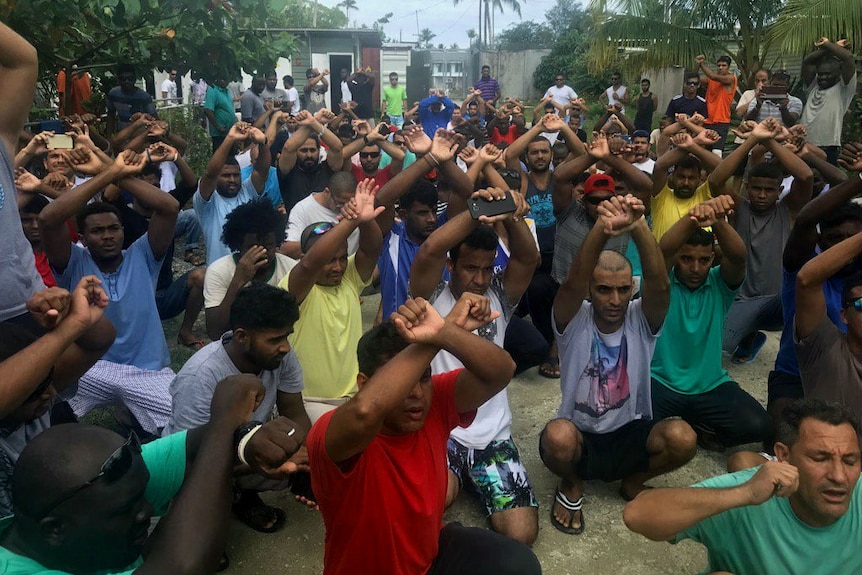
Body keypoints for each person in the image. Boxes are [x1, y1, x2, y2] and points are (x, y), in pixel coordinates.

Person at [307, 294, 541, 575]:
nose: (417, 393)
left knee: (519, 565)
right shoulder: (336, 433)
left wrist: (445, 331)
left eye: (425, 377)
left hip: (428, 559)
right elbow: (366, 411)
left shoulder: (437, 403)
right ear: (364, 383)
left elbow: (501, 371)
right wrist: (430, 342)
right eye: (406, 382)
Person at [0, 372, 305, 575]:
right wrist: (227, 419)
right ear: (55, 530)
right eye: (127, 508)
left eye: (140, 497)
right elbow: (185, 565)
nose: (146, 511)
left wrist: (247, 440)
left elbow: (196, 446)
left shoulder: (103, 485)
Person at [542, 193, 695, 535]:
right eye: (604, 290)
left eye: (623, 290)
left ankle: (633, 482)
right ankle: (571, 483)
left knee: (683, 438)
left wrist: (638, 224)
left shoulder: (642, 318)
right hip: (581, 432)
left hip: (631, 431)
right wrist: (602, 227)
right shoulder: (573, 319)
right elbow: (571, 282)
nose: (614, 300)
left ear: (632, 289)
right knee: (556, 437)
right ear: (589, 291)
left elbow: (660, 283)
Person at [409, 189, 541, 545]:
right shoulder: (429, 298)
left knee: (522, 533)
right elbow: (430, 250)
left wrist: (509, 213)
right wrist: (477, 211)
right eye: (470, 268)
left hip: (493, 436)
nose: (480, 280)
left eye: (487, 268)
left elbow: (528, 259)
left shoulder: (500, 294)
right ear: (452, 265)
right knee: (434, 502)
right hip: (442, 431)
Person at [624, 398, 862, 575]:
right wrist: (743, 494)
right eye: (820, 459)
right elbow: (637, 515)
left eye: (850, 461)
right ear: (784, 456)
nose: (840, 476)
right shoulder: (751, 492)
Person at [38, 150, 178, 435]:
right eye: (97, 231)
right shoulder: (72, 261)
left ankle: (131, 418)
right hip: (90, 368)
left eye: (114, 228)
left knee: (184, 422)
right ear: (83, 238)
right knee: (41, 413)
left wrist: (112, 170)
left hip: (147, 369)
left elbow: (169, 207)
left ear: (123, 231)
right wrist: (108, 174)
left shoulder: (143, 255)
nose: (107, 236)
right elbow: (49, 219)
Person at [166, 283, 310, 534]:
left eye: (287, 335)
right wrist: (273, 457)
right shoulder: (201, 376)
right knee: (202, 550)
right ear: (242, 336)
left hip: (246, 448)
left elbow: (295, 413)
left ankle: (241, 494)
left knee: (318, 451)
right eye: (275, 339)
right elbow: (195, 459)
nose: (285, 346)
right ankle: (205, 511)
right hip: (196, 462)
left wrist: (305, 454)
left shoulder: (280, 356)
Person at [651, 196, 771, 450]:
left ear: (712, 260)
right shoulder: (663, 284)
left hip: (709, 385)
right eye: (687, 259)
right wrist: (693, 217)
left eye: (703, 260)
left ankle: (701, 426)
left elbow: (738, 257)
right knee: (631, 425)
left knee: (759, 425)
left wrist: (717, 221)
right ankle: (693, 424)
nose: (695, 267)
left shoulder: (719, 284)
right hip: (660, 382)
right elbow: (664, 249)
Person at [280, 179, 383, 422]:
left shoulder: (349, 279)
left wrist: (365, 221)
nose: (337, 267)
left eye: (342, 258)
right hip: (308, 403)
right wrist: (350, 221)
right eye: (329, 260)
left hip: (355, 397)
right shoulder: (296, 286)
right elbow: (309, 265)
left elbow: (371, 250)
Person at [717, 119, 813, 362]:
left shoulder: (787, 210)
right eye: (756, 188)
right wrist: (752, 139)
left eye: (768, 190)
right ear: (747, 188)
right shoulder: (740, 208)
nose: (761, 195)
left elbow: (806, 176)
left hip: (775, 300)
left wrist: (769, 140)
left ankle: (752, 332)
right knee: (722, 348)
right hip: (741, 296)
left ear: (779, 191)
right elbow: (716, 181)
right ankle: (750, 338)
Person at [204, 198, 297, 340]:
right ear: (238, 245)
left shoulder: (290, 268)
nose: (262, 252)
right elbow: (215, 331)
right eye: (253, 247)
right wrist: (238, 281)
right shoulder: (219, 270)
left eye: (269, 245)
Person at [795, 230, 862, 423]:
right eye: (861, 304)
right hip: (831, 450)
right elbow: (806, 280)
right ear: (844, 316)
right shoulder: (824, 346)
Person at [194, 122, 270, 265]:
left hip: (252, 269)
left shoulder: (247, 190)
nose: (232, 180)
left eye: (236, 175)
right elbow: (210, 174)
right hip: (219, 273)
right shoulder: (207, 202)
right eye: (226, 175)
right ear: (218, 177)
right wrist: (230, 138)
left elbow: (262, 171)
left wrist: (263, 143)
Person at [649, 130, 722, 240]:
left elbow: (722, 168)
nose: (686, 183)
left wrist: (692, 145)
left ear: (699, 178)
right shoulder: (661, 197)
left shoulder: (705, 195)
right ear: (672, 176)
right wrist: (695, 141)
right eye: (681, 177)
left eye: (692, 178)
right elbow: (659, 166)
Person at [799, 38, 857, 164]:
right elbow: (807, 61)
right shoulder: (812, 87)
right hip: (804, 144)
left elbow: (848, 58)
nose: (823, 77)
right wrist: (828, 48)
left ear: (838, 74)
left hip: (828, 147)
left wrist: (827, 44)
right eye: (820, 74)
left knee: (827, 182)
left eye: (828, 74)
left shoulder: (844, 89)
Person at [276, 109, 344, 215]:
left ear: (319, 150)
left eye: (312, 150)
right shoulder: (288, 171)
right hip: (297, 228)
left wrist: (313, 122)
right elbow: (288, 147)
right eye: (303, 150)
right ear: (296, 151)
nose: (309, 155)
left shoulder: (327, 169)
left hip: (325, 227)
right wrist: (315, 120)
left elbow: (337, 147)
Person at [282, 172, 359, 259]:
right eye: (340, 203)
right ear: (327, 192)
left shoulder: (357, 207)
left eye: (349, 202)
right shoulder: (303, 209)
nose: (345, 207)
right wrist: (321, 241)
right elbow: (287, 250)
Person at [696, 55, 737, 152]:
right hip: (707, 121)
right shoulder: (710, 80)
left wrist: (702, 63)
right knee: (704, 152)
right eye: (719, 65)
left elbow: (712, 76)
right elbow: (695, 78)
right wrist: (697, 64)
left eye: (724, 65)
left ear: (728, 67)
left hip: (721, 122)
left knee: (716, 152)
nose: (721, 68)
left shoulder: (731, 78)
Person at [105, 65, 156, 135]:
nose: (127, 81)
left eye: (130, 78)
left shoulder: (144, 97)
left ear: (135, 79)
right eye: (123, 79)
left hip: (140, 135)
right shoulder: (113, 94)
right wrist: (109, 136)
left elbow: (154, 118)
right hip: (122, 135)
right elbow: (111, 115)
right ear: (118, 80)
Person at [204, 75, 237, 151]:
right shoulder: (212, 90)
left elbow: (230, 110)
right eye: (222, 79)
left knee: (232, 158)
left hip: (231, 132)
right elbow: (208, 110)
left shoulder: (227, 91)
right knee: (220, 159)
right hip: (220, 134)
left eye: (226, 79)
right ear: (217, 79)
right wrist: (218, 127)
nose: (224, 81)